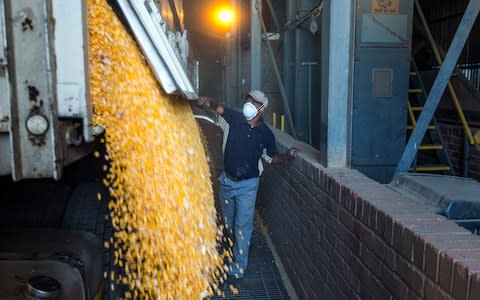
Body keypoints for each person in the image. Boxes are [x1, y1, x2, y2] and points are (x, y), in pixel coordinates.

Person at [197, 90, 299, 280]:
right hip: (227, 181)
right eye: (249, 100)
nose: (249, 104)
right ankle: (235, 244)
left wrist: (286, 156)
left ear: (262, 108)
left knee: (242, 226)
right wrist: (207, 100)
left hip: (248, 186)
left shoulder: (265, 134)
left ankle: (238, 265)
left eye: (254, 102)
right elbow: (217, 107)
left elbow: (271, 157)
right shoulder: (235, 118)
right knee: (228, 223)